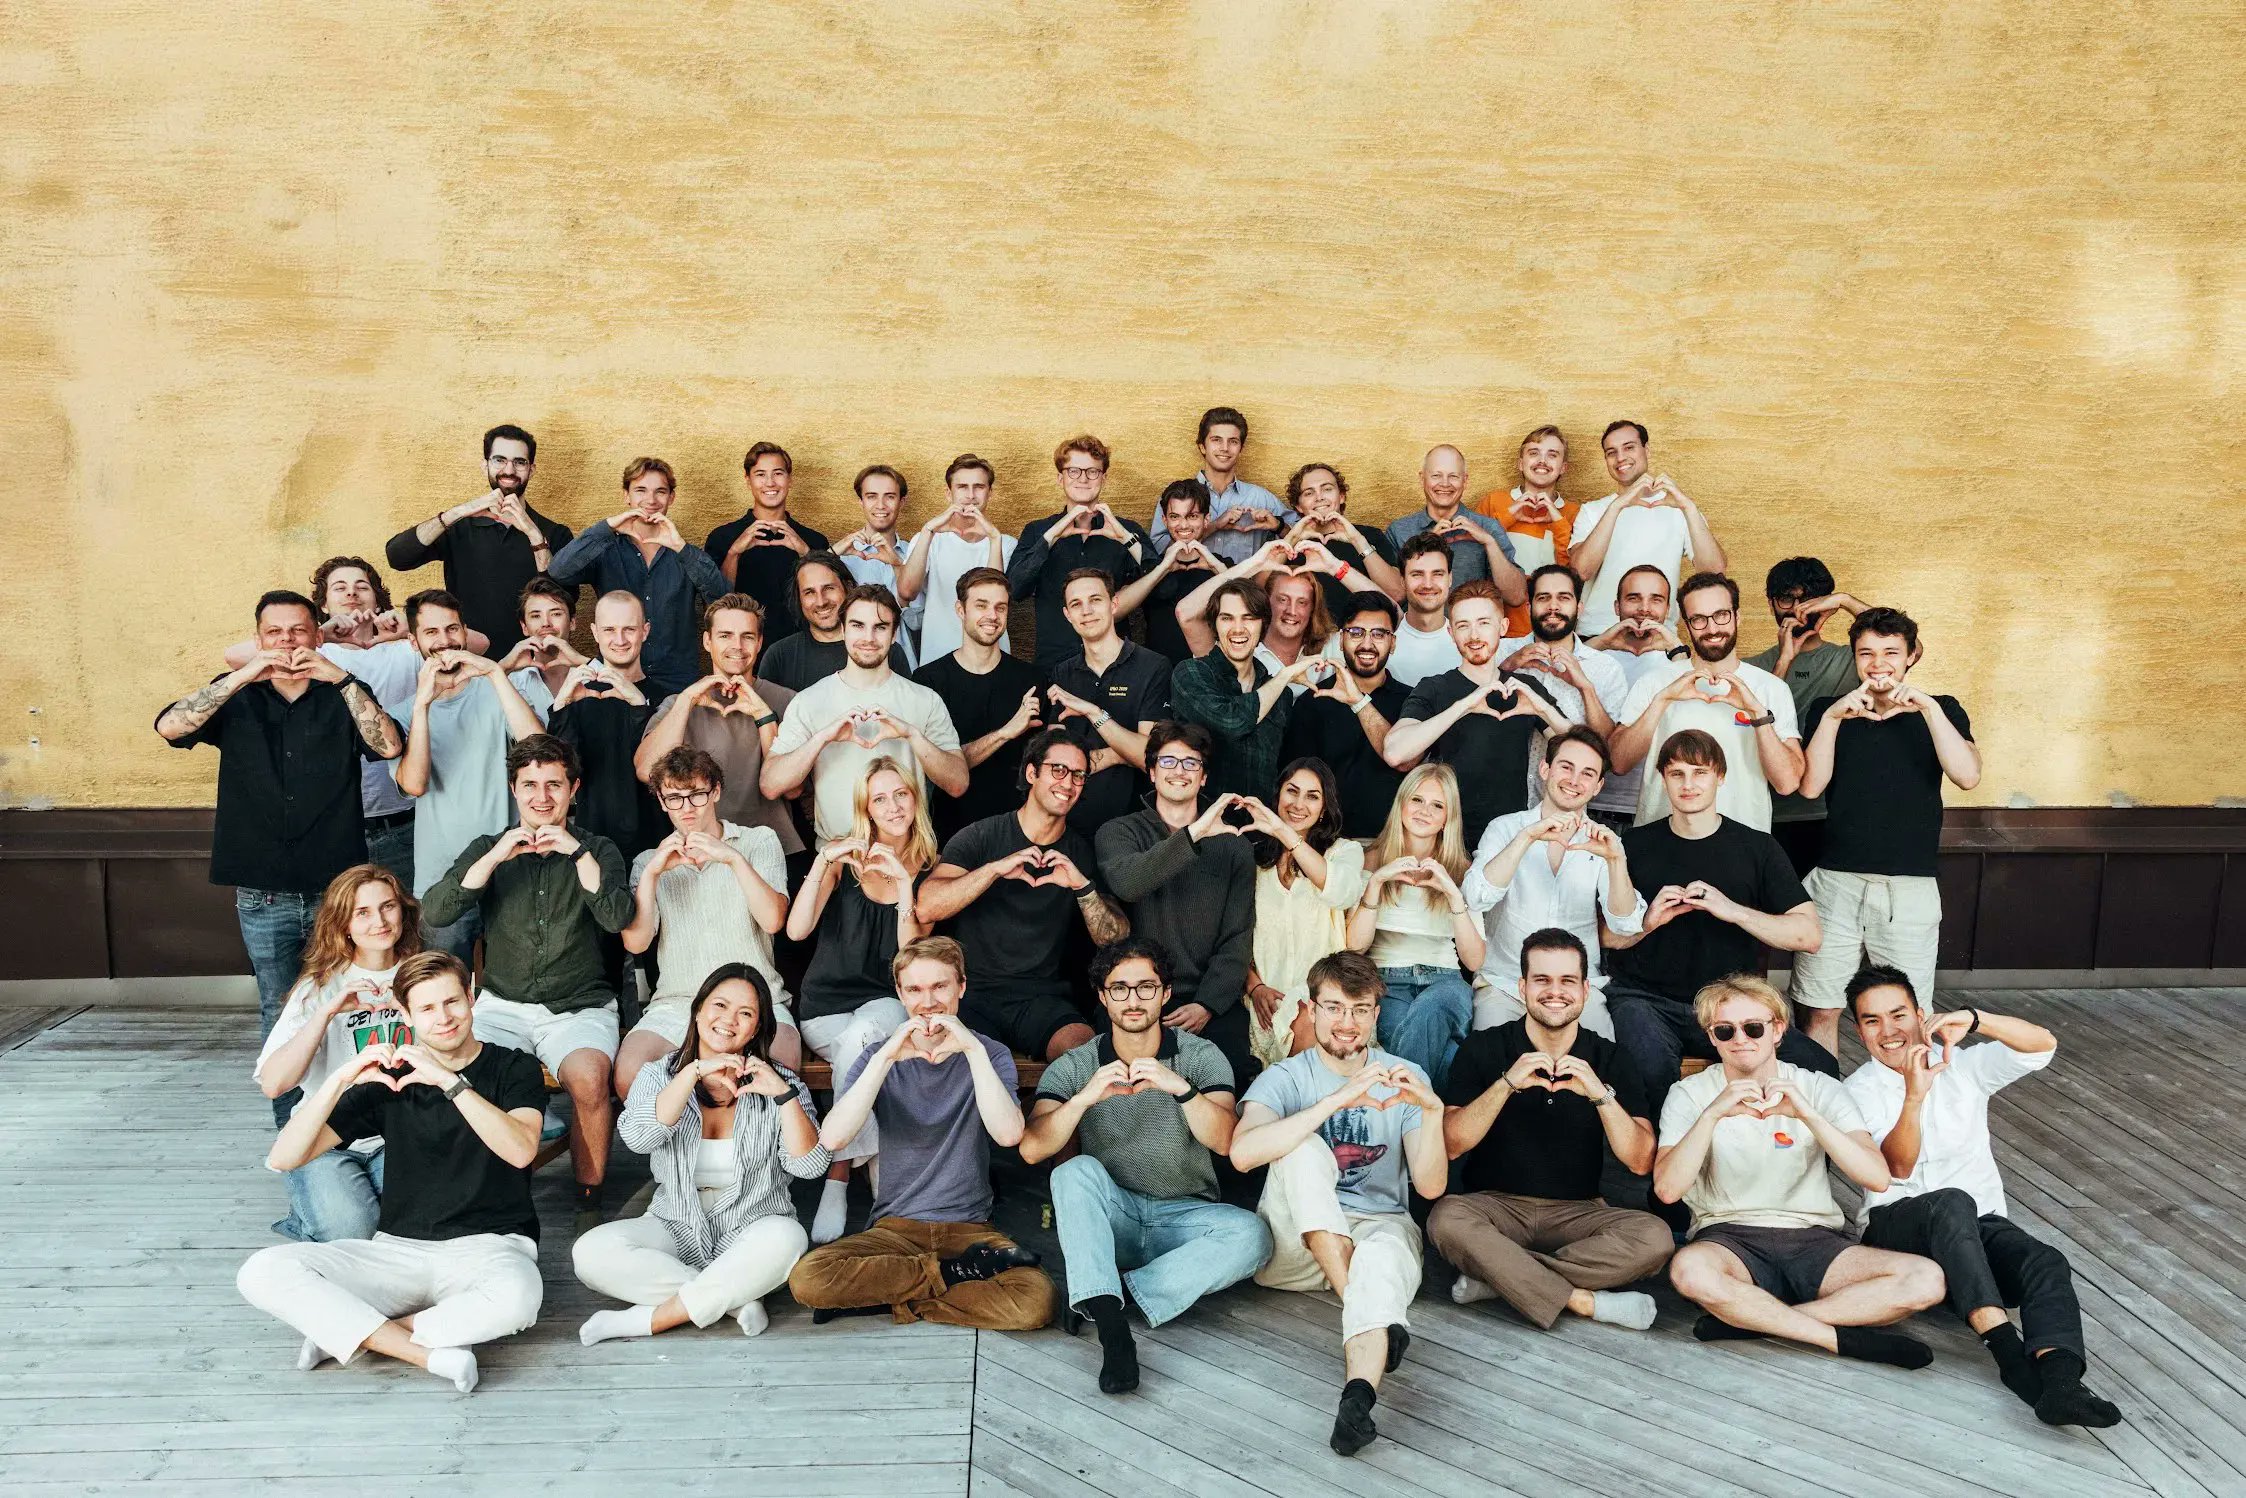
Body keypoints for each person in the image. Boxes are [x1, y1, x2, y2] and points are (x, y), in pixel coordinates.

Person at [236, 951, 546, 1395]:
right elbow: (284, 1157)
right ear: (406, 1014)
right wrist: (339, 1080)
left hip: (491, 1248)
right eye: (427, 1008)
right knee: (262, 1270)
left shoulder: (513, 1066)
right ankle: (427, 1354)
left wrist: (449, 1082)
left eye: (451, 1002)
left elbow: (520, 1151)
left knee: (519, 1299)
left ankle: (353, 1333)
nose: (444, 1018)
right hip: (399, 1251)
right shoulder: (390, 1080)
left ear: (471, 995)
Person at [157, 589, 404, 1122]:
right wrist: (245, 674)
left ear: (317, 635)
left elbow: (388, 746)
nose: (287, 641)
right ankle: (292, 1126)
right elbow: (170, 726)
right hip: (263, 890)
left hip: (337, 891)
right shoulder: (237, 696)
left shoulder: (341, 692)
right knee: (279, 1005)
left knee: (351, 1000)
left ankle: (350, 1115)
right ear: (259, 638)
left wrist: (341, 678)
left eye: (298, 630)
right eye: (275, 632)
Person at [1844, 970, 2121, 1427]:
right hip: (1896, 1229)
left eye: (1898, 1015)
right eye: (1872, 1021)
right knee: (1952, 1201)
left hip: (1977, 1228)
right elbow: (1896, 1168)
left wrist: (1975, 1019)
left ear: (1921, 1016)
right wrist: (1914, 1097)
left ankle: (2061, 1382)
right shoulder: (1855, 1091)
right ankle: (2010, 1356)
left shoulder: (1962, 1065)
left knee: (2045, 1261)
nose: (1889, 1030)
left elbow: (2041, 1045)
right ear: (1859, 1032)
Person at [1022, 938, 1271, 1394]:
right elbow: (1033, 1149)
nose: (1133, 999)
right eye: (1119, 988)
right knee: (1071, 1172)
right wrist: (1083, 1099)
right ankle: (1114, 1332)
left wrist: (1181, 1089)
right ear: (1103, 997)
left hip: (1184, 1218)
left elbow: (1226, 1141)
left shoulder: (1200, 1056)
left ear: (1165, 993)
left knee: (1253, 1235)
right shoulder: (1076, 1065)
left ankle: (1112, 1295)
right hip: (1113, 1218)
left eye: (1145, 987)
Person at [1656, 976, 1944, 1367]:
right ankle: (1833, 1338)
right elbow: (1668, 1190)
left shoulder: (1819, 1087)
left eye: (1753, 1028)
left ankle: (1753, 1321)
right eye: (1725, 1030)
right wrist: (1711, 1115)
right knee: (1689, 1271)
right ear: (1712, 1037)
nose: (1740, 1039)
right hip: (1728, 1237)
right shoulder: (1690, 1094)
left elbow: (1877, 1177)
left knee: (1926, 1279)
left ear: (1777, 1030)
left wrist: (1808, 1115)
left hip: (1814, 1237)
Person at [1231, 951, 1448, 1458]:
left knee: (1384, 1253)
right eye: (1333, 1008)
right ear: (1311, 1010)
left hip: (1377, 1225)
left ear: (1376, 1014)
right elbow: (1242, 1154)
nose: (1346, 1022)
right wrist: (1336, 1100)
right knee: (1301, 1147)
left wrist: (1434, 1112)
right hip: (1295, 1249)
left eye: (1359, 1009)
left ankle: (1358, 1400)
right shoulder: (1287, 1076)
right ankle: (1364, 1305)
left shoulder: (1405, 1075)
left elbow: (1430, 1186)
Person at [788, 938, 1057, 1329]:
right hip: (895, 1229)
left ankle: (893, 1296)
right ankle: (948, 1277)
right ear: (900, 994)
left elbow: (1008, 1135)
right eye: (914, 989)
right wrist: (885, 1056)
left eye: (939, 986)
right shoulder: (878, 1056)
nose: (928, 1002)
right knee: (809, 1277)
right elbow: (833, 1139)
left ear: (961, 987)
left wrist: (972, 1051)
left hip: (970, 1230)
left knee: (1036, 1300)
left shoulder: (989, 1053)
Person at [420, 736, 633, 1214]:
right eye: (530, 785)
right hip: (503, 1004)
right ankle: (477, 1193)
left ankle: (589, 1200)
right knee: (463, 1073)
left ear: (573, 789)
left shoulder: (599, 848)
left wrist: (577, 855)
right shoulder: (488, 848)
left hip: (578, 1006)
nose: (542, 797)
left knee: (589, 1079)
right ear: (514, 789)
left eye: (554, 784)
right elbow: (436, 911)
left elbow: (617, 917)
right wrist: (496, 856)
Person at [1432, 929, 1672, 1331]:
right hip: (1496, 1210)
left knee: (1655, 1238)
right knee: (1446, 1219)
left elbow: (1640, 1161)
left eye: (1567, 981)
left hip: (1579, 1213)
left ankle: (1501, 1278)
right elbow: (1452, 1145)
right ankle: (1582, 1300)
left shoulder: (1610, 1058)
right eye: (1542, 980)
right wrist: (1506, 1084)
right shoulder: (1485, 1047)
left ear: (1585, 990)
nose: (1555, 992)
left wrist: (1600, 1094)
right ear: (1522, 987)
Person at [576, 965, 828, 1344]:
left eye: (746, 1013)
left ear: (756, 1028)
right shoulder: (660, 1075)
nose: (729, 1020)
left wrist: (783, 1096)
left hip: (753, 1227)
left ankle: (647, 1320)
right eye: (720, 1005)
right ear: (697, 1011)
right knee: (590, 1253)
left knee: (788, 1236)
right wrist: (690, 1074)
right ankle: (736, 1298)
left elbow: (809, 1166)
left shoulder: (781, 1083)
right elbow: (639, 1137)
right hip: (675, 1225)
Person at [1605, 732, 1834, 1103]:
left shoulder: (1757, 847)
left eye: (1700, 773)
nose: (1688, 784)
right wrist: (1646, 922)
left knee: (1817, 1066)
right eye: (1677, 774)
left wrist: (1734, 911)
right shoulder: (1633, 845)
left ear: (1720, 777)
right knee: (1648, 1069)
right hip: (1646, 998)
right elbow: (1605, 936)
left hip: (1733, 1002)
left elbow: (1808, 935)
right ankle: (1665, 1141)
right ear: (1663, 779)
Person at [1790, 607, 1979, 1055]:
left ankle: (1904, 1099)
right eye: (1866, 653)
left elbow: (1968, 775)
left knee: (1908, 1014)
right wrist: (1832, 718)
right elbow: (1810, 786)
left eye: (1891, 652)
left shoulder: (1943, 708)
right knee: (1818, 1007)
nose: (1878, 664)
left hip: (1907, 890)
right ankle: (1823, 1096)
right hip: (1835, 884)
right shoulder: (1828, 710)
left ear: (1911, 656)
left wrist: (1929, 708)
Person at [788, 758, 934, 1243]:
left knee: (867, 1035)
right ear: (865, 810)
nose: (893, 807)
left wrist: (904, 885)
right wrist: (822, 862)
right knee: (860, 1046)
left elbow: (911, 958)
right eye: (880, 799)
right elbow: (797, 929)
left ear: (915, 799)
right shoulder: (844, 861)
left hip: (885, 1004)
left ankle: (837, 1176)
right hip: (824, 1008)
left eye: (901, 795)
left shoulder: (930, 868)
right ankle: (877, 1173)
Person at [916, 730, 1126, 1060]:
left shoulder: (1080, 852)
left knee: (1086, 1054)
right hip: (971, 993)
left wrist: (1082, 887)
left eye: (1078, 775)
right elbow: (928, 907)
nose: (1068, 783)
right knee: (951, 1057)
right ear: (1031, 773)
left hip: (1040, 998)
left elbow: (1114, 938)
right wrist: (993, 870)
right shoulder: (981, 836)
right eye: (1058, 769)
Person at [218, 556, 427, 885]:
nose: (352, 593)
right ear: (324, 604)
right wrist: (323, 635)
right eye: (339, 588)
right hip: (334, 827)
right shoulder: (313, 653)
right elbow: (234, 656)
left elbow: (479, 643)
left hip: (400, 820)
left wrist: (410, 626)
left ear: (378, 599)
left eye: (362, 586)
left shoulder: (408, 649)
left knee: (400, 915)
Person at [253, 865, 422, 1243]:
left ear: (403, 910)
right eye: (362, 913)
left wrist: (411, 1009)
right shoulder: (319, 987)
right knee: (352, 1233)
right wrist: (326, 1012)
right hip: (325, 1141)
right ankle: (310, 1213)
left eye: (388, 906)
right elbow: (274, 1084)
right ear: (343, 924)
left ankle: (319, 1213)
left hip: (400, 1137)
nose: (379, 921)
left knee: (410, 1229)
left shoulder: (423, 976)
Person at [615, 747, 794, 1100]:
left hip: (756, 998)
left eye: (697, 794)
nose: (687, 808)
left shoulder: (758, 840)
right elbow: (636, 943)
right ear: (662, 802)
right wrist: (653, 874)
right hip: (679, 1001)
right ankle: (684, 1137)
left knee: (778, 1072)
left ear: (715, 791)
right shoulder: (648, 862)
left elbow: (773, 920)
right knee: (628, 1075)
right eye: (675, 798)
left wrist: (732, 858)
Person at [1094, 722, 1260, 1080]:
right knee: (1126, 1089)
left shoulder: (1234, 846)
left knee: (1229, 1081)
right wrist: (1196, 833)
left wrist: (1207, 1004)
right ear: (1152, 773)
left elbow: (1238, 936)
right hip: (1134, 996)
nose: (1179, 771)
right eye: (1168, 761)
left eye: (1191, 763)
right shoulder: (1119, 832)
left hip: (1208, 1000)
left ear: (1203, 778)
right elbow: (1129, 884)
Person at [392, 590, 549, 959]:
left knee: (515, 983)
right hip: (442, 878)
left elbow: (540, 750)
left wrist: (494, 672)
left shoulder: (499, 690)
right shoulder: (403, 712)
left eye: (452, 629)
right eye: (431, 632)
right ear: (414, 641)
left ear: (464, 632)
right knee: (443, 980)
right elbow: (414, 784)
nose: (445, 641)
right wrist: (422, 704)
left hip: (510, 869)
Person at [1462, 728, 1644, 1035]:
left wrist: (1616, 861)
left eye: (1587, 774)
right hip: (1505, 986)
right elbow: (1476, 897)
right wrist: (1526, 838)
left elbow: (1625, 925)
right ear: (1545, 769)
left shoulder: (1606, 843)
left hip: (1578, 993)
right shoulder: (1506, 828)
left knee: (1602, 1058)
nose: (1574, 780)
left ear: (1598, 786)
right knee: (1489, 1058)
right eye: (1566, 767)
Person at [762, 584, 966, 847]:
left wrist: (911, 735)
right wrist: (822, 738)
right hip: (839, 856)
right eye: (858, 626)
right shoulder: (809, 701)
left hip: (908, 856)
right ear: (843, 630)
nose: (868, 638)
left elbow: (957, 784)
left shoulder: (925, 700)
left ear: (894, 634)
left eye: (880, 627)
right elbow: (771, 785)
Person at [1610, 572, 1803, 831]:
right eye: (1699, 619)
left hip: (1742, 842)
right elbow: (1619, 763)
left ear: (1737, 616)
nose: (1712, 629)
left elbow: (1788, 783)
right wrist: (1662, 700)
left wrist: (1757, 714)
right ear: (1687, 625)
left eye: (1721, 615)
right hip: (1662, 840)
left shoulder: (1771, 688)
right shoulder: (1654, 682)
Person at [1382, 580, 1569, 844]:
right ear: (1451, 632)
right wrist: (1463, 706)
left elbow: (1584, 751)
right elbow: (1395, 753)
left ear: (1502, 627)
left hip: (1507, 838)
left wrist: (1543, 709)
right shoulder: (1434, 688)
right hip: (1446, 839)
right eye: (1463, 625)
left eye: (1483, 623)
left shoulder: (1525, 688)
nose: (1474, 635)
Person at [632, 593, 801, 874]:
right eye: (725, 636)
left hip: (771, 848)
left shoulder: (787, 701)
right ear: (707, 641)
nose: (737, 646)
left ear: (760, 643)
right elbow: (646, 771)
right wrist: (687, 701)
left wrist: (764, 716)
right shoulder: (678, 704)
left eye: (747, 636)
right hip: (699, 851)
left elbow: (792, 789)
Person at [1347, 765, 1485, 1089]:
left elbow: (1475, 960)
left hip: (1446, 982)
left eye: (1437, 805)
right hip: (1387, 982)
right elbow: (1354, 946)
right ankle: (1430, 1114)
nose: (1425, 811)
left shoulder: (1463, 869)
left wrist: (1452, 893)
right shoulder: (1368, 860)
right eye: (1417, 800)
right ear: (1401, 804)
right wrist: (1377, 882)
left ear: (1448, 818)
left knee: (1430, 1010)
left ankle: (1399, 1110)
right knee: (1449, 1057)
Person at [547, 457, 729, 700]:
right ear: (627, 495)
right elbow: (558, 570)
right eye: (641, 490)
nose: (651, 500)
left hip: (676, 685)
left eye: (660, 491)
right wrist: (608, 527)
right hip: (616, 681)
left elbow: (722, 599)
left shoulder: (686, 554)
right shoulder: (606, 550)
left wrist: (682, 549)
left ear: (671, 497)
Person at [383, 424, 574, 653]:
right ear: (485, 465)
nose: (509, 470)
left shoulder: (555, 533)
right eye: (499, 460)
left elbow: (566, 599)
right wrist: (457, 513)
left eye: (519, 462)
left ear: (531, 469)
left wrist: (533, 534)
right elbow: (397, 557)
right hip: (470, 661)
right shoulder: (460, 527)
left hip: (534, 661)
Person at [1744, 558, 1866, 876]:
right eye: (1787, 599)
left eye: (1809, 599)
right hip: (1765, 813)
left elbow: (1908, 646)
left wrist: (1846, 601)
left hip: (1830, 813)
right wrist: (1784, 660)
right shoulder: (1750, 668)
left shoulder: (1849, 659)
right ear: (1771, 603)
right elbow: (1751, 726)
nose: (1798, 610)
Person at [1244, 758, 1366, 1067]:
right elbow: (1232, 933)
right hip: (1264, 1003)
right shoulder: (1254, 861)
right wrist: (1255, 987)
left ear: (1324, 808)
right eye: (1292, 791)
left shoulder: (1344, 852)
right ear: (1278, 796)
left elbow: (1342, 892)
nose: (1299, 804)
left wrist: (1284, 832)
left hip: (1325, 999)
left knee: (1310, 1024)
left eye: (1312, 796)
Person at [911, 568, 1045, 840]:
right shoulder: (928, 681)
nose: (992, 616)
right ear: (960, 610)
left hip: (1017, 831)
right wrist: (1005, 733)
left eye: (1000, 607)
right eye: (981, 605)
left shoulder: (1031, 680)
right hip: (949, 834)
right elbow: (940, 770)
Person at [1006, 434, 1156, 672]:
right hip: (1054, 666)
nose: (1083, 479)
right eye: (1074, 471)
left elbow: (1163, 589)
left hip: (1116, 667)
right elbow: (1015, 588)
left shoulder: (1127, 530)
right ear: (1060, 478)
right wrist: (1050, 538)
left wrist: (1126, 540)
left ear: (1104, 477)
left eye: (1092, 471)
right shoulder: (1038, 531)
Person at [1045, 567, 1172, 837]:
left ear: (1113, 604)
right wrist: (1119, 754)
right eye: (1076, 604)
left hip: (1134, 827)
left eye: (1095, 600)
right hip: (1070, 825)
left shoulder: (1153, 666)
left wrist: (1094, 713)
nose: (1086, 611)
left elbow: (1150, 757)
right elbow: (1054, 756)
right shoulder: (1062, 672)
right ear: (1067, 615)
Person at [1168, 578, 1321, 800]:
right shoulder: (1192, 673)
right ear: (1214, 624)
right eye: (1227, 618)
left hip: (1258, 819)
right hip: (1203, 817)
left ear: (1264, 624)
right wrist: (1284, 676)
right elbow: (1233, 722)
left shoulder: (1282, 696)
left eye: (1248, 618)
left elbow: (1283, 769)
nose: (1238, 629)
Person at [1570, 421, 1726, 637]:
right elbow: (1582, 571)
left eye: (1629, 447)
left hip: (1658, 635)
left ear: (1647, 450)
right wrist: (1616, 506)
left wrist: (1688, 507)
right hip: (1597, 634)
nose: (1620, 457)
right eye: (1611, 452)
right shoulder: (1592, 511)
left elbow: (1714, 571)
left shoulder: (1679, 508)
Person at [545, 590, 664, 864]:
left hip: (656, 846)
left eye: (629, 629)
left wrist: (640, 706)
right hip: (594, 847)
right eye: (609, 630)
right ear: (595, 633)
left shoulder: (667, 698)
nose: (620, 640)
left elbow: (661, 769)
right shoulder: (578, 697)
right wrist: (561, 707)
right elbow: (562, 772)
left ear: (645, 631)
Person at [1279, 596, 1411, 839]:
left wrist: (1357, 701)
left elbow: (1406, 761)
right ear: (1341, 640)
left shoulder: (1412, 702)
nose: (1367, 644)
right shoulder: (1313, 701)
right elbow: (1293, 783)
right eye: (1356, 633)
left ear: (1393, 643)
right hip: (1326, 843)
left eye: (1379, 634)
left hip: (1392, 844)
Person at [1578, 565, 1680, 829]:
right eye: (1634, 598)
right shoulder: (1594, 656)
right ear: (1617, 606)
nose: (1644, 609)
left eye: (1656, 600)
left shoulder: (1680, 659)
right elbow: (1556, 673)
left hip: (1657, 809)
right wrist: (1601, 642)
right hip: (1593, 805)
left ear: (1668, 609)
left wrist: (1676, 649)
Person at [706, 441, 831, 641]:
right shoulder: (722, 538)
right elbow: (715, 604)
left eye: (778, 473)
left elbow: (828, 603)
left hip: (801, 649)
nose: (770, 483)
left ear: (789, 479)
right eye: (760, 474)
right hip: (744, 650)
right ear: (748, 480)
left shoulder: (815, 541)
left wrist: (807, 554)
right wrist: (734, 553)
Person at [898, 453, 1016, 662]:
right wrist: (928, 531)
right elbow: (906, 591)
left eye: (979, 487)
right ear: (948, 493)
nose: (970, 495)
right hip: (938, 656)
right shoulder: (928, 538)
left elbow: (992, 594)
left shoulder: (1005, 543)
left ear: (990, 492)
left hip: (992, 659)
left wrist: (994, 538)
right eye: (962, 487)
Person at [1497, 564, 1630, 740]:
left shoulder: (1607, 668)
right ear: (1529, 608)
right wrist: (1506, 667)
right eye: (1543, 598)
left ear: (1579, 609)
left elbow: (1607, 745)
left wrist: (1586, 688)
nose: (1553, 606)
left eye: (1564, 598)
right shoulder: (1500, 650)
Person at [1381, 444, 1526, 603]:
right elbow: (1394, 596)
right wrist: (1426, 544)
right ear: (1422, 478)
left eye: (1453, 476)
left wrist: (1489, 542)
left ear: (1465, 480)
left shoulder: (1488, 528)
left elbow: (1516, 597)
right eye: (1436, 475)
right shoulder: (1399, 531)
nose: (1445, 483)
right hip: (1418, 620)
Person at [1471, 425, 1577, 636]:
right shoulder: (1494, 502)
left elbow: (1572, 574)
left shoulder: (1574, 513)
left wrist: (1558, 521)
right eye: (1534, 453)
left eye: (1552, 455)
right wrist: (1508, 516)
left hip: (1550, 631)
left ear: (1563, 467)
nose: (1542, 461)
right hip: (1496, 629)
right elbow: (1473, 557)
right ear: (1520, 463)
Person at [1150, 406, 1292, 563]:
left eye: (1233, 441)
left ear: (1241, 448)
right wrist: (1214, 526)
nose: (1225, 448)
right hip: (1190, 579)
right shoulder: (1176, 497)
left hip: (1245, 580)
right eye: (1216, 440)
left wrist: (1279, 526)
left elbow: (1302, 536)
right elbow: (1158, 554)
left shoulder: (1260, 498)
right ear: (1202, 446)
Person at [755, 550, 911, 691]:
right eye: (809, 592)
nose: (821, 601)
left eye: (829, 588)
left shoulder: (883, 649)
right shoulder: (780, 656)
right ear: (799, 599)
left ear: (848, 587)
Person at [1117, 479, 1222, 662]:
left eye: (1192, 516)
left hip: (1207, 670)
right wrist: (1162, 568)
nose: (1183, 525)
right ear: (1165, 520)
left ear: (1206, 519)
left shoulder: (1221, 565)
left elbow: (1248, 599)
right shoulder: (1150, 567)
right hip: (1159, 670)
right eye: (1175, 517)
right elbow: (1116, 609)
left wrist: (1214, 565)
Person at [1280, 461, 1404, 616]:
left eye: (1327, 489)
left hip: (1361, 629)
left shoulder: (1369, 535)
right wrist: (1292, 538)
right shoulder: (1288, 545)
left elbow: (1396, 595)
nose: (1319, 497)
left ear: (1341, 496)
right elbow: (1258, 597)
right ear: (1298, 506)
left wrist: (1357, 541)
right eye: (1309, 493)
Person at [835, 463, 925, 665]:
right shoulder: (843, 555)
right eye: (871, 496)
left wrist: (898, 565)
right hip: (851, 664)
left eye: (890, 496)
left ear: (902, 501)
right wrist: (831, 555)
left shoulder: (916, 554)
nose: (881, 505)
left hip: (903, 666)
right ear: (861, 501)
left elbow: (918, 622)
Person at [494, 574, 590, 703]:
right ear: (524, 627)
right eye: (535, 616)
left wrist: (584, 662)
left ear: (572, 622)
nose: (546, 623)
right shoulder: (511, 681)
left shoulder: (593, 674)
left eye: (556, 614)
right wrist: (503, 667)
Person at [1385, 532, 1464, 688]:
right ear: (1403, 581)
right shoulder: (1380, 642)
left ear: (1450, 579)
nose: (1428, 584)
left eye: (1437, 574)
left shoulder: (1470, 643)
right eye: (1417, 574)